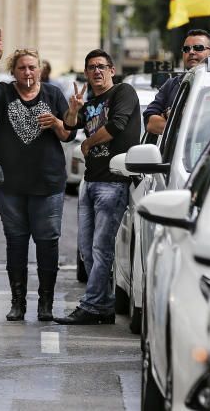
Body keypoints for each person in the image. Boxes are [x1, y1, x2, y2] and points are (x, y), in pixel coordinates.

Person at [0, 29, 75, 322]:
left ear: (40, 69)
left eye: (32, 67)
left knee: (47, 241)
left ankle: (45, 303)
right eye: (22, 67)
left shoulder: (53, 94)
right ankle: (17, 302)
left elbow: (68, 134)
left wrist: (58, 120)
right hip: (11, 184)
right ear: (14, 71)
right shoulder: (4, 93)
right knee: (16, 241)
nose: (27, 71)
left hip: (47, 183)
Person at [56, 49, 140, 325]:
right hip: (90, 181)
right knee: (87, 249)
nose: (97, 71)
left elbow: (117, 125)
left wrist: (90, 143)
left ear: (112, 70)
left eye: (102, 66)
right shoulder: (91, 102)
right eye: (91, 67)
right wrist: (73, 109)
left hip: (113, 182)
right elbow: (68, 131)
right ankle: (103, 305)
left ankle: (91, 305)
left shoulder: (123, 93)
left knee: (102, 248)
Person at [143, 29, 210, 135]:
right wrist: (184, 130)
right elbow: (150, 123)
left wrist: (170, 117)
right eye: (186, 49)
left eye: (198, 48)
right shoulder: (172, 84)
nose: (191, 52)